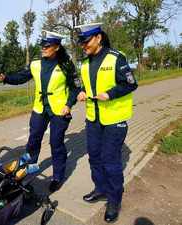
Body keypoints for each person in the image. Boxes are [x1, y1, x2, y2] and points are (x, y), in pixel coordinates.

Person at [0, 30, 81, 192]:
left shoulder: (66, 64)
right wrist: (5, 78)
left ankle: (57, 177)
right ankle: (28, 170)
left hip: (59, 111)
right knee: (33, 140)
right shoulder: (36, 64)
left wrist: (69, 105)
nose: (43, 48)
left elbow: (76, 88)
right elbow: (21, 77)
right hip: (39, 108)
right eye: (42, 45)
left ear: (56, 47)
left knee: (56, 143)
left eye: (46, 45)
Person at [75, 23, 138, 223]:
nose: (83, 46)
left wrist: (110, 94)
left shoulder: (116, 58)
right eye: (81, 43)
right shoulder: (84, 64)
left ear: (98, 38)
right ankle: (100, 189)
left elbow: (130, 83)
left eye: (86, 41)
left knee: (110, 161)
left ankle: (114, 200)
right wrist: (81, 92)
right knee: (94, 157)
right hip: (93, 119)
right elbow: (82, 86)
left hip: (114, 119)